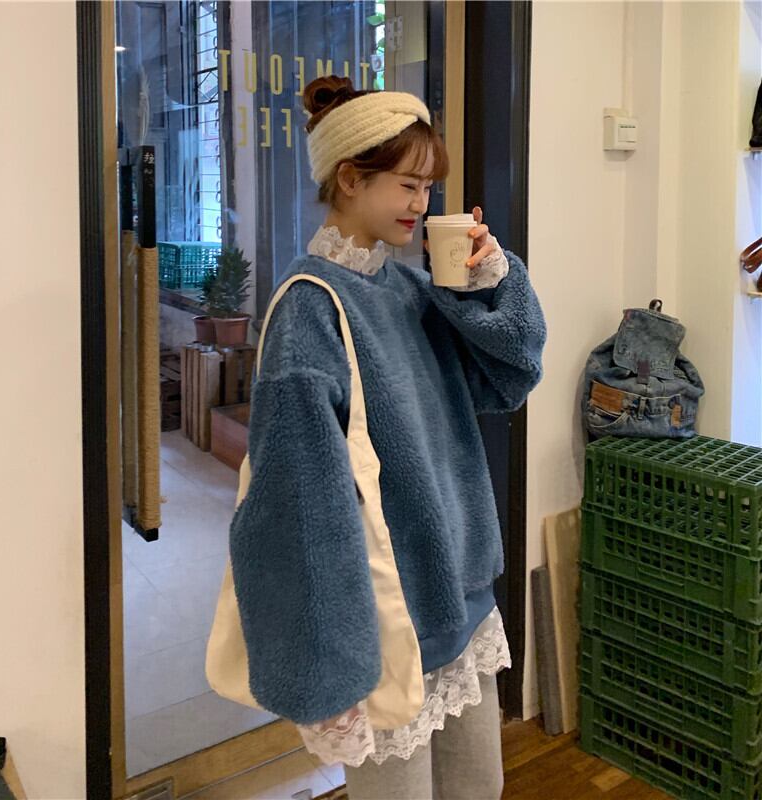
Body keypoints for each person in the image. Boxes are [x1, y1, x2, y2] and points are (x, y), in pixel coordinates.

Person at [228, 75, 547, 800]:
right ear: (349, 178)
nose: (422, 204)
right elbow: (297, 509)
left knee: (478, 787)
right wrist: (330, 662)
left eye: (428, 187)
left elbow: (509, 376)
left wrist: (487, 283)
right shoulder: (308, 311)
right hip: (382, 624)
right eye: (408, 185)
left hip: (460, 599)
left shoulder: (409, 290)